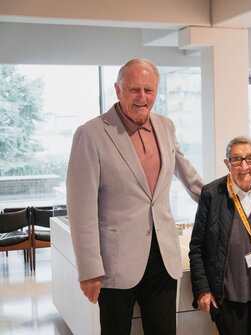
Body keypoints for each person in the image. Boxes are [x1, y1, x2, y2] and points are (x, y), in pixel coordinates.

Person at [66, 58, 203, 335]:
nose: (142, 98)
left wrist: (226, 199)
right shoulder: (91, 134)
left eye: (149, 90)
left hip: (163, 258)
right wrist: (89, 270)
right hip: (114, 264)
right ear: (118, 91)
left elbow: (187, 174)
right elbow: (81, 209)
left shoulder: (166, 126)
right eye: (134, 90)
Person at [189, 136, 251, 335]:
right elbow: (196, 248)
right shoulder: (212, 193)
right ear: (227, 163)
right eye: (236, 159)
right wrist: (203, 289)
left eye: (250, 158)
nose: (244, 166)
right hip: (228, 296)